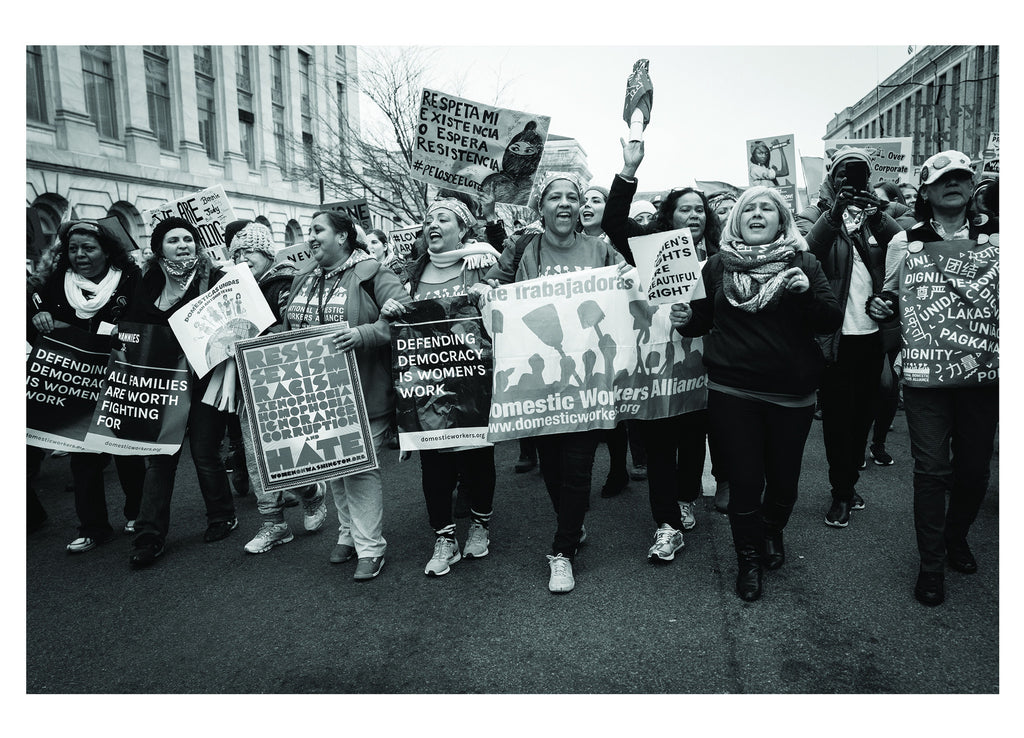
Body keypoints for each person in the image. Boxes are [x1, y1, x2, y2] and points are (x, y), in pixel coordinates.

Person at [673, 186, 843, 601]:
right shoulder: (715, 266)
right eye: (749, 207)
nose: (757, 213)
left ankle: (771, 532)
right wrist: (685, 319)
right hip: (733, 390)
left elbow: (829, 321)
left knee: (783, 484)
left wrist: (804, 294)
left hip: (792, 393)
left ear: (781, 222)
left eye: (768, 208)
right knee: (746, 483)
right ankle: (748, 558)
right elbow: (703, 320)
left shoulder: (804, 262)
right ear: (736, 221)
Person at [474, 172, 626, 594]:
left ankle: (562, 551)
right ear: (539, 208)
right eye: (554, 197)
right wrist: (485, 290)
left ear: (581, 208)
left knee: (578, 468)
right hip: (539, 382)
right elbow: (492, 284)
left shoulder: (601, 249)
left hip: (586, 379)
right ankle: (571, 526)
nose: (563, 203)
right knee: (554, 470)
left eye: (571, 197)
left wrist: (629, 278)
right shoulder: (522, 247)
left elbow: (626, 288)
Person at [874, 149, 999, 607]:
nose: (954, 183)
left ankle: (956, 536)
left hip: (985, 376)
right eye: (944, 178)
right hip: (928, 378)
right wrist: (883, 311)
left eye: (963, 177)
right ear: (925, 190)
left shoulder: (1002, 236)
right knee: (931, 471)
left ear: (973, 187)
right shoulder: (905, 242)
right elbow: (889, 298)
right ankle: (930, 566)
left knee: (973, 471)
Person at [602, 138, 721, 542]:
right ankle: (666, 522)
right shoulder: (647, 252)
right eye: (684, 208)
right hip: (654, 370)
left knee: (692, 442)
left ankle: (687, 497)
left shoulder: (721, 257)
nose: (693, 215)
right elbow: (614, 222)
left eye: (699, 209)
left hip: (703, 370)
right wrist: (628, 171)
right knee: (658, 447)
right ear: (669, 216)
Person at [280, 211, 409, 581]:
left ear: (343, 237)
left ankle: (371, 548)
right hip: (319, 396)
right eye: (309, 232)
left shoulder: (373, 274)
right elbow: (289, 328)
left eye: (318, 230)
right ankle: (348, 534)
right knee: (332, 465)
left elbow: (401, 319)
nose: (311, 237)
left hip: (366, 391)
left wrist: (364, 334)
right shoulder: (303, 277)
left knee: (359, 468)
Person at [380, 199, 499, 576]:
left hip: (474, 379)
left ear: (462, 229)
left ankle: (480, 525)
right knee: (435, 463)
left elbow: (502, 318)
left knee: (477, 458)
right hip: (427, 383)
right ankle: (444, 537)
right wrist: (389, 312)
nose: (432, 224)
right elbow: (397, 326)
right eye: (429, 219)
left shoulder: (481, 263)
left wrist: (489, 299)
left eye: (442, 218)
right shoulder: (410, 273)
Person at [795, 146, 903, 529]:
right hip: (834, 336)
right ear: (831, 178)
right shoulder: (813, 215)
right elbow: (807, 253)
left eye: (857, 176)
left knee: (864, 417)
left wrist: (877, 214)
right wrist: (835, 211)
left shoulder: (877, 217)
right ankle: (841, 492)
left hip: (872, 336)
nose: (849, 182)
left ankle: (849, 480)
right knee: (838, 419)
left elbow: (903, 246)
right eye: (842, 174)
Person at [124, 217, 239, 568]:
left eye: (188, 239)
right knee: (161, 458)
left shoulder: (215, 280)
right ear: (159, 249)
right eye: (174, 240)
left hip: (206, 379)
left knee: (205, 450)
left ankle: (221, 516)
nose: (183, 245)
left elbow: (237, 321)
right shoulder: (144, 284)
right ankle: (149, 536)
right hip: (162, 384)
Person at [28, 220, 145, 553]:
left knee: (127, 453)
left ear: (107, 251)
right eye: (73, 248)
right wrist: (39, 320)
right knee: (83, 458)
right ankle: (93, 527)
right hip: (77, 384)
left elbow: (142, 324)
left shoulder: (130, 280)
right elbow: (37, 330)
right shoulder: (53, 284)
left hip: (120, 376)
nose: (79, 254)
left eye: (88, 248)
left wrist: (96, 333)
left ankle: (137, 513)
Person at [226, 222, 330, 555]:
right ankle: (274, 524)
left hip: (282, 384)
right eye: (237, 254)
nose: (244, 258)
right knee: (256, 458)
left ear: (266, 252)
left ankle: (312, 493)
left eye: (250, 251)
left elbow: (295, 327)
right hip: (246, 384)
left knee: (289, 453)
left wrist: (264, 340)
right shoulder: (234, 290)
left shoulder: (284, 283)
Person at [579, 183, 647, 492]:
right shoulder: (569, 243)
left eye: (596, 200)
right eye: (583, 200)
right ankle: (579, 482)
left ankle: (618, 469)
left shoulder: (621, 242)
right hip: (580, 337)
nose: (587, 205)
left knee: (614, 403)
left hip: (616, 332)